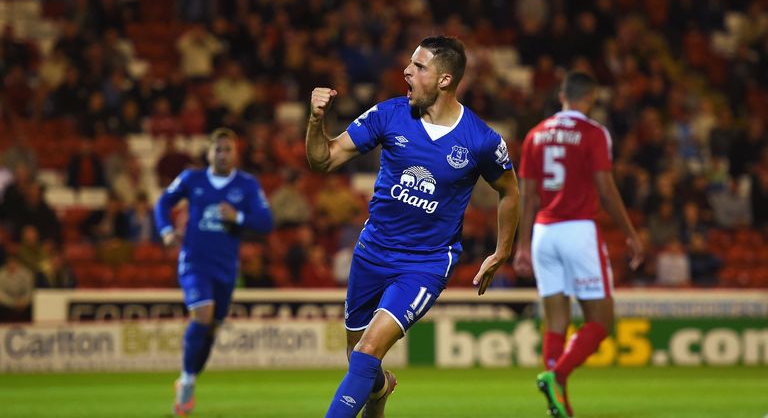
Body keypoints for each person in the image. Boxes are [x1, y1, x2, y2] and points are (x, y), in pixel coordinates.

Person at [307, 35, 520, 418]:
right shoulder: (389, 114)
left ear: (444, 79)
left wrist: (502, 250)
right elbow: (324, 160)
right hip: (372, 252)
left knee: (367, 351)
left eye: (419, 67)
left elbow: (510, 191)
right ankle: (381, 389)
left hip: (424, 263)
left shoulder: (481, 140)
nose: (406, 71)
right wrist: (315, 121)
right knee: (359, 362)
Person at [513, 71, 643, 418]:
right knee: (601, 321)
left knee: (555, 322)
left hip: (543, 233)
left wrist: (522, 245)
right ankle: (557, 375)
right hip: (578, 230)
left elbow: (526, 194)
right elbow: (605, 188)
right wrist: (630, 232)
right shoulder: (594, 133)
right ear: (591, 97)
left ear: (562, 95)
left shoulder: (535, 135)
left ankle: (562, 409)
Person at [154, 128, 273, 417]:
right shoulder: (191, 179)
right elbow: (163, 203)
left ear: (236, 154)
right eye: (217, 149)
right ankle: (186, 379)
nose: (222, 154)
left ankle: (190, 379)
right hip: (194, 261)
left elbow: (266, 222)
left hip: (226, 268)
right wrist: (167, 230)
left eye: (227, 149)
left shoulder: (246, 184)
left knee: (211, 329)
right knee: (203, 315)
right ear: (208, 153)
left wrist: (239, 217)